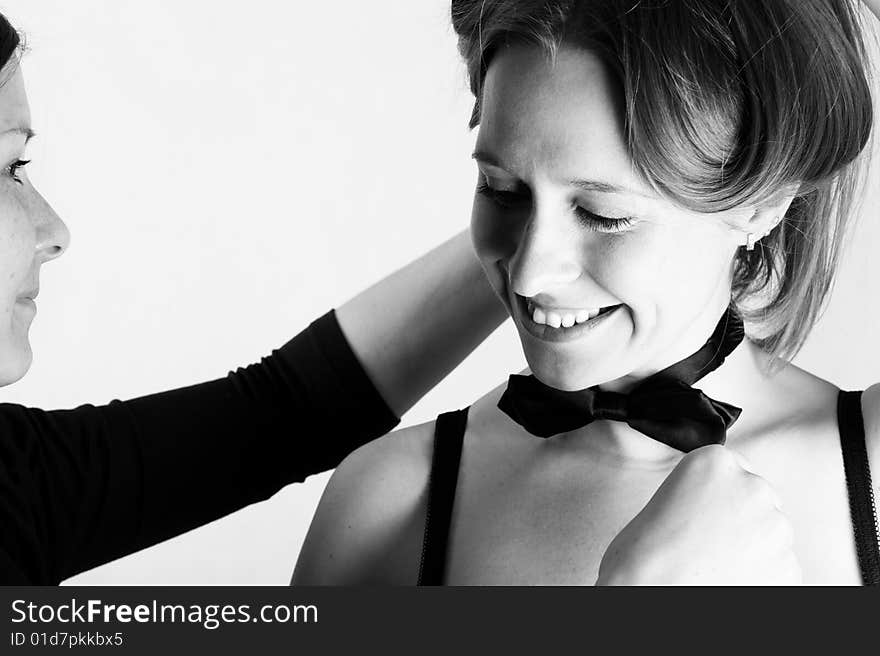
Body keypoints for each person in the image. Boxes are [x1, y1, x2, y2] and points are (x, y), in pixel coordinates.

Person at [292, 0, 880, 586]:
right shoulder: (389, 506)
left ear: (764, 203)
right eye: (500, 190)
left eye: (603, 215)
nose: (528, 275)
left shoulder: (871, 473)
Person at [0, 13, 509, 585]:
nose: (56, 231)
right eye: (11, 167)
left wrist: (526, 224)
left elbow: (283, 416)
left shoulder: (15, 481)